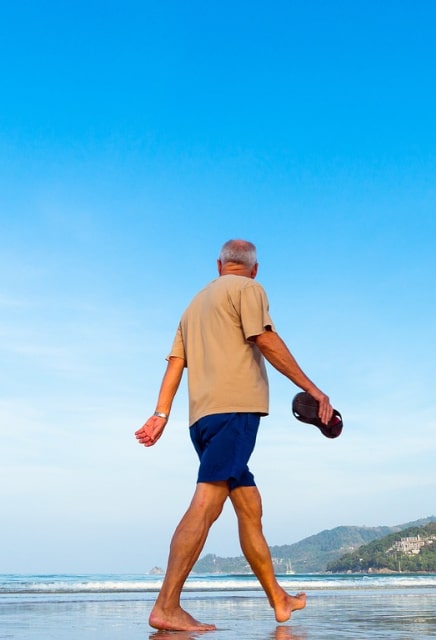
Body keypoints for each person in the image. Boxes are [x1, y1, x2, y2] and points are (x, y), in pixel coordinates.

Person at [135, 239, 334, 632]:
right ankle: (167, 605)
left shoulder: (193, 306)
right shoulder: (250, 290)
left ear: (219, 264)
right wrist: (314, 390)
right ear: (254, 269)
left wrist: (161, 413)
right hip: (235, 412)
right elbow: (265, 339)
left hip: (201, 420)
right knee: (207, 502)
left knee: (249, 506)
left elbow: (176, 364)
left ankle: (278, 598)